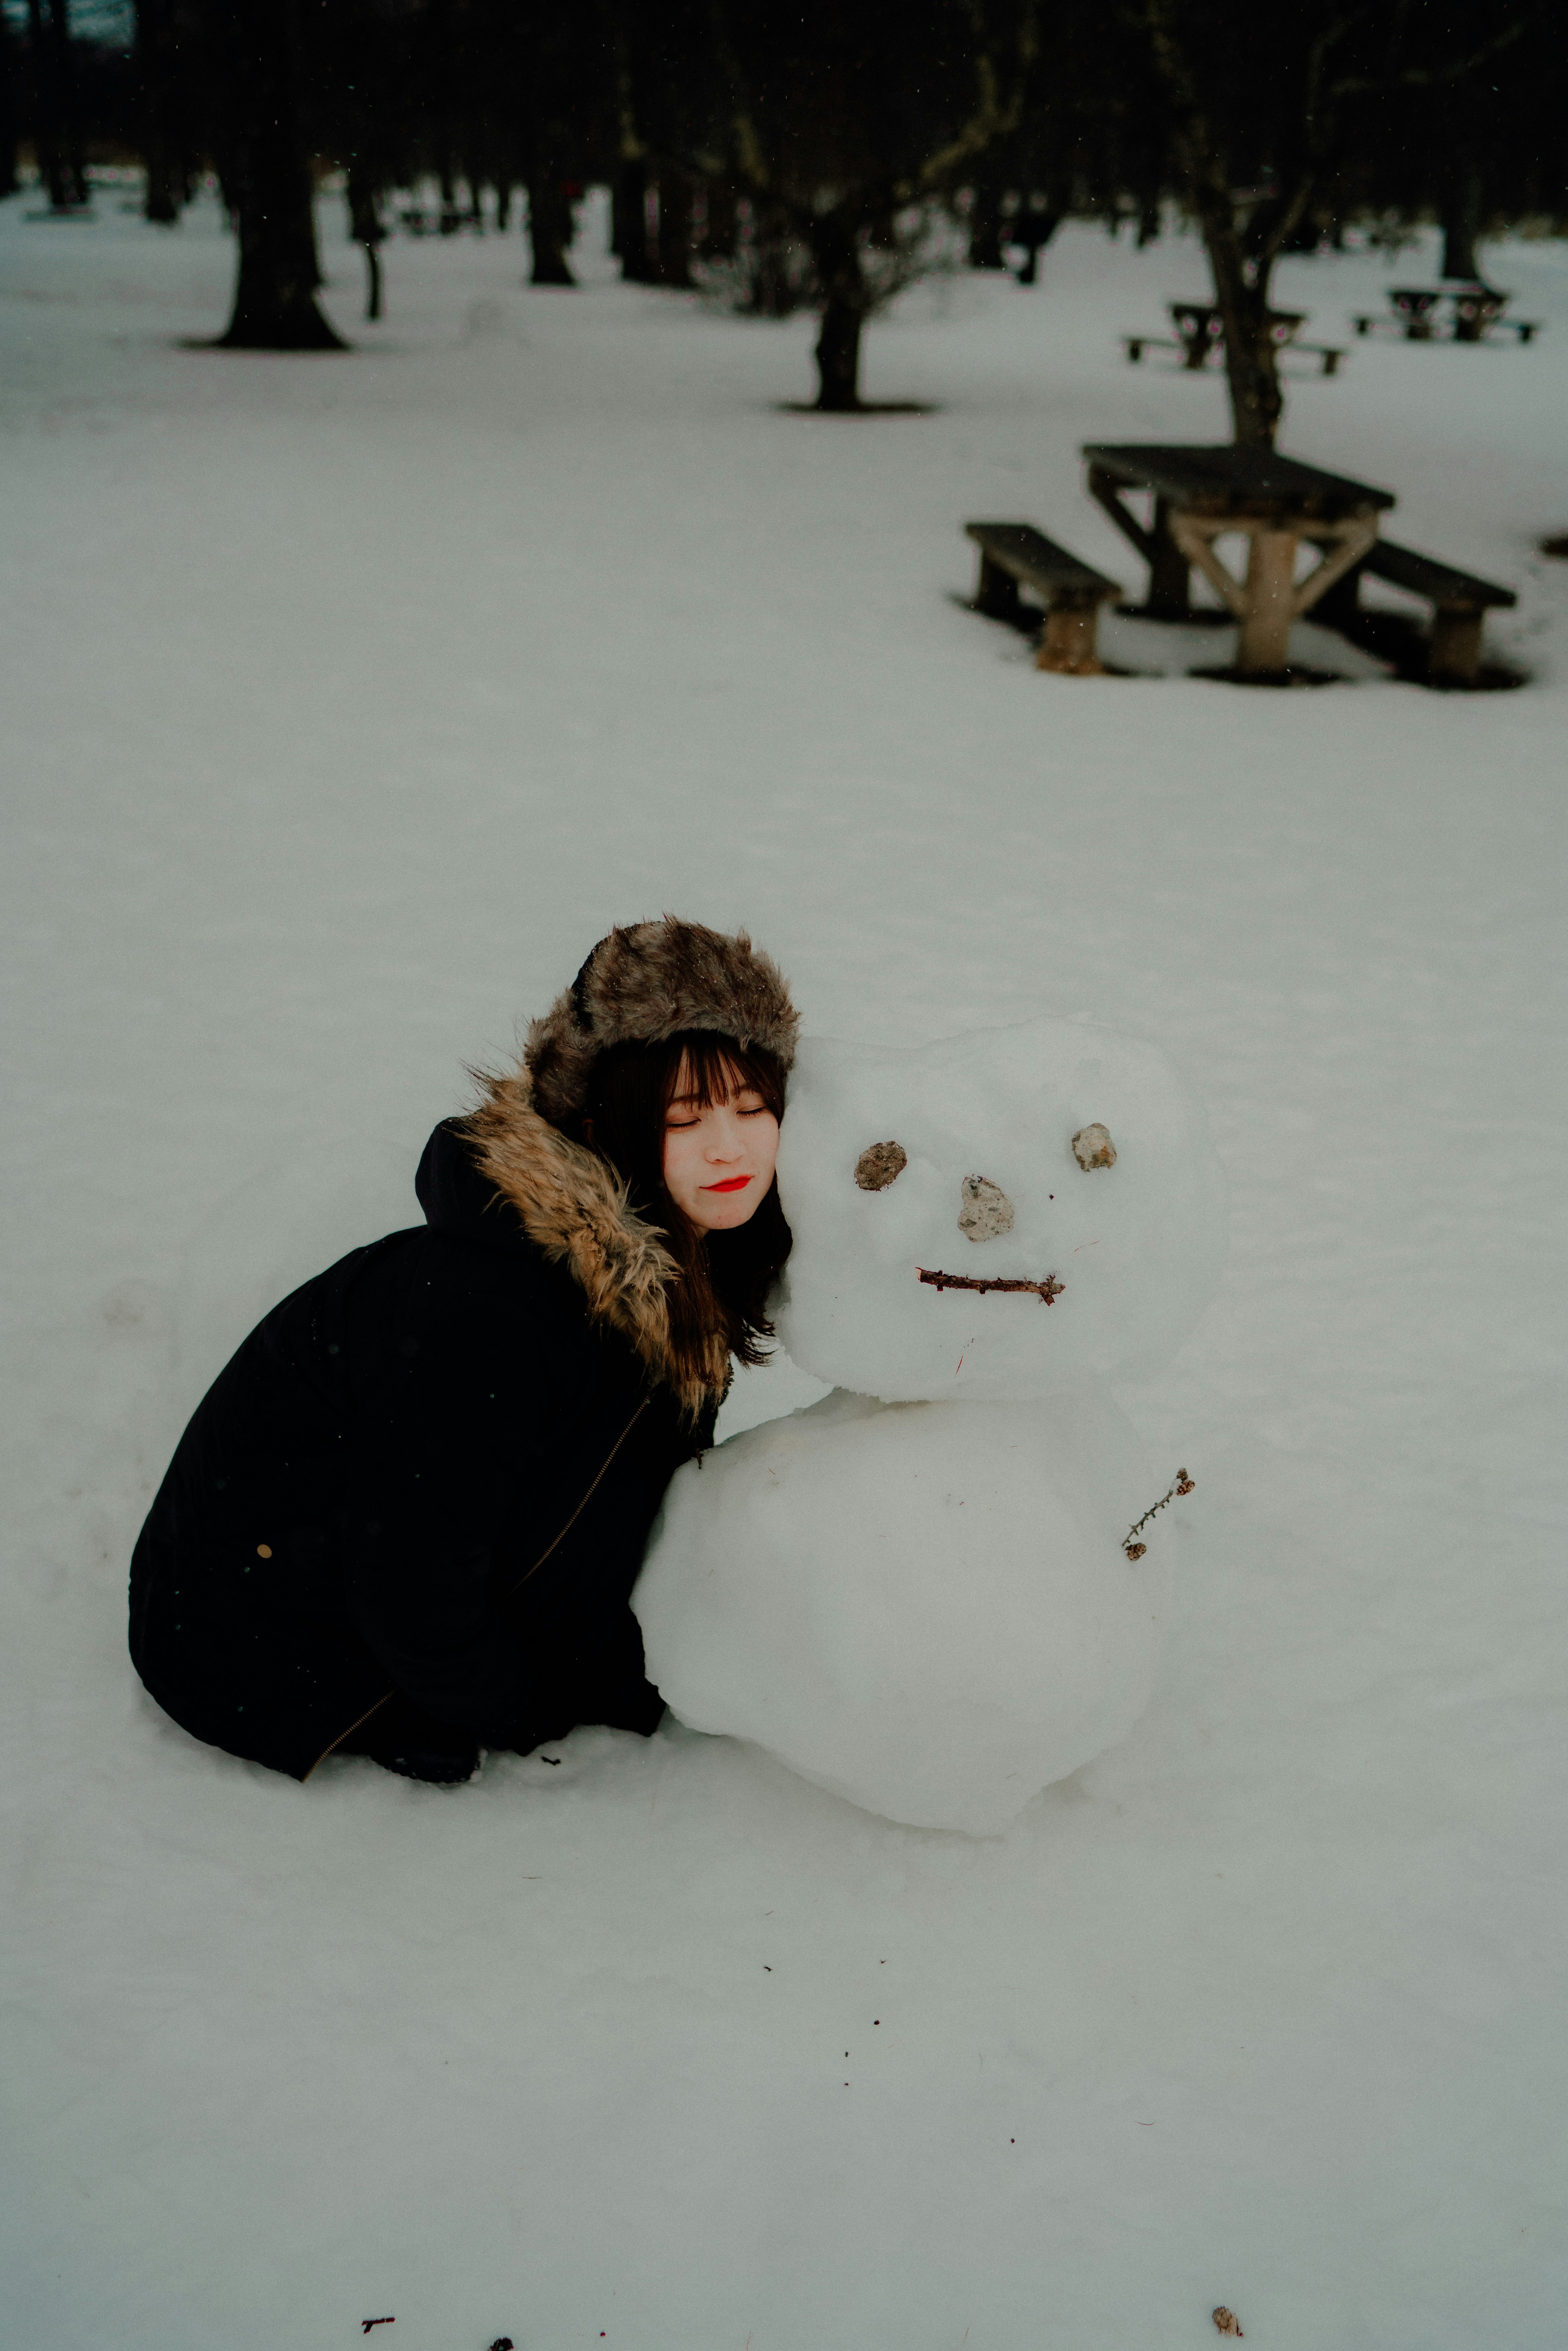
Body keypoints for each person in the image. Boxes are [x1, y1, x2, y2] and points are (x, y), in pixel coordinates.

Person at [127, 918, 798, 1785]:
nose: (729, 1145)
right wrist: (525, 1706)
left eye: (752, 1108)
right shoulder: (488, 1301)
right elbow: (410, 1574)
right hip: (264, 1639)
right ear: (608, 1121)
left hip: (406, 1601)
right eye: (685, 1115)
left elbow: (605, 1499)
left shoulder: (684, 1255)